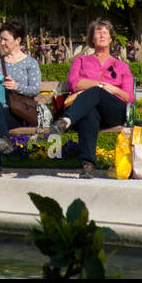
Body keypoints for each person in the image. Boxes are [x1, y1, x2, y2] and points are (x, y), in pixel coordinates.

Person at [51, 18, 135, 178]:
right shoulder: (81, 61)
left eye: (105, 33)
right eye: (98, 32)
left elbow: (129, 97)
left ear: (111, 38)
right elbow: (73, 84)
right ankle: (87, 166)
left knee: (96, 92)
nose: (102, 35)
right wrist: (100, 85)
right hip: (87, 109)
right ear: (92, 38)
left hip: (113, 111)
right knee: (89, 113)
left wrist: (112, 89)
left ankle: (66, 121)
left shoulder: (122, 66)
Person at [0, 19, 42, 176]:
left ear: (18, 40)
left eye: (5, 39)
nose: (2, 42)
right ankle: (3, 138)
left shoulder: (30, 63)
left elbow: (35, 89)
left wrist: (16, 87)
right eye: (1, 39)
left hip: (14, 112)